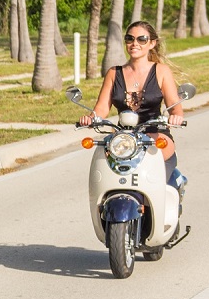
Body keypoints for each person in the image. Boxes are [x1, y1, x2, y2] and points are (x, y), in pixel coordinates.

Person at [79, 19, 187, 186]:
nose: (134, 43)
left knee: (155, 184)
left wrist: (176, 118)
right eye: (129, 39)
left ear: (152, 43)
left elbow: (176, 109)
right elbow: (101, 109)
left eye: (141, 39)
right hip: (125, 139)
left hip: (154, 134)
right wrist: (91, 118)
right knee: (105, 174)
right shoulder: (114, 73)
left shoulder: (161, 71)